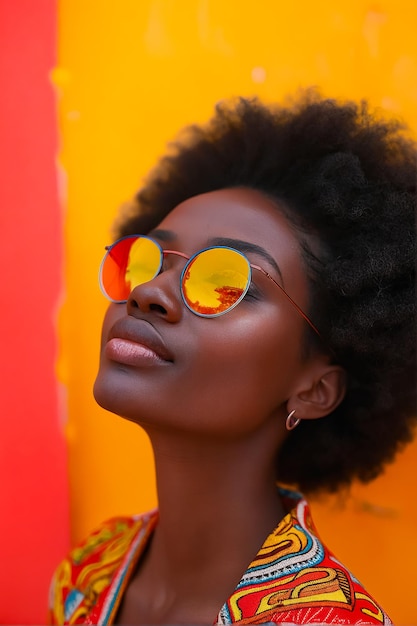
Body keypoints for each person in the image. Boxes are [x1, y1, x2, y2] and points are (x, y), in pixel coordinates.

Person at [49, 92, 416, 625]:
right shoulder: (87, 573)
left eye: (225, 283)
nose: (148, 291)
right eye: (146, 259)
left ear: (315, 389)